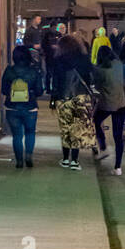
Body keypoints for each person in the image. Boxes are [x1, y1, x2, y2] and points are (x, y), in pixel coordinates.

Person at [51, 33, 96, 169]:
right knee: (78, 128)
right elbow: (90, 77)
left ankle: (65, 159)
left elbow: (56, 81)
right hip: (81, 97)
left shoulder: (58, 60)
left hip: (63, 97)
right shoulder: (83, 58)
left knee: (65, 128)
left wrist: (54, 99)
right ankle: (75, 161)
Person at [1, 45, 43, 169]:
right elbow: (40, 91)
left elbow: (4, 90)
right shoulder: (33, 71)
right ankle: (28, 155)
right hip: (30, 107)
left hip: (12, 108)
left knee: (17, 135)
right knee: (30, 132)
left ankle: (19, 161)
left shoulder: (9, 71)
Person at [91, 45, 125, 174]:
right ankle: (118, 167)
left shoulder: (100, 70)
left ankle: (103, 147)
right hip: (122, 103)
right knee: (118, 136)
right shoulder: (119, 64)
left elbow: (96, 86)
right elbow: (124, 82)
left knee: (96, 121)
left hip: (106, 104)